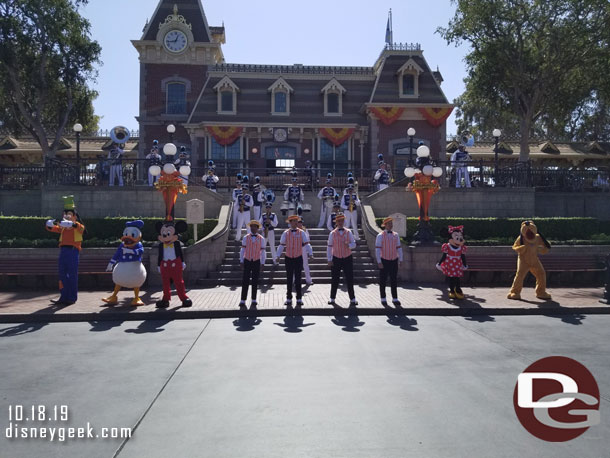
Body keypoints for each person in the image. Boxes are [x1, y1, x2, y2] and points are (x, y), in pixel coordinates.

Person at [45, 195, 85, 305]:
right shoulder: (62, 228)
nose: (66, 216)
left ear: (74, 216)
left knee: (72, 275)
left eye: (69, 214)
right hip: (63, 251)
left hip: (73, 251)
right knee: (62, 274)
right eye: (65, 214)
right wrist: (48, 224)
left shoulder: (78, 226)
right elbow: (53, 228)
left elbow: (81, 228)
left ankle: (71, 298)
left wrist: (73, 224)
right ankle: (63, 296)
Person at [276, 215, 310, 306]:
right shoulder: (286, 233)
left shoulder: (302, 232)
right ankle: (289, 298)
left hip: (298, 257)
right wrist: (278, 255)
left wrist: (311, 253)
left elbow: (307, 243)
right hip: (289, 258)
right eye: (293, 221)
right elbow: (281, 245)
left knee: (298, 278)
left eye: (296, 221)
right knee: (289, 278)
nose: (295, 222)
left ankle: (299, 298)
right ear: (290, 222)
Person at [327, 214, 357, 306]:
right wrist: (329, 259)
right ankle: (332, 298)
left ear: (344, 222)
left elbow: (354, 244)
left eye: (342, 221)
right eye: (338, 221)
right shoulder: (332, 233)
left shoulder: (348, 232)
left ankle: (352, 299)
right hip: (336, 258)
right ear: (336, 222)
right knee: (335, 279)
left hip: (347, 257)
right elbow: (329, 247)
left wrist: (349, 245)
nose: (340, 223)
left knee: (349, 279)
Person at [376, 217, 403, 305]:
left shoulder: (396, 235)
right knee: (383, 280)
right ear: (385, 225)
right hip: (384, 260)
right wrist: (379, 261)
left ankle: (395, 298)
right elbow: (377, 249)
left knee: (393, 279)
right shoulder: (380, 235)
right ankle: (383, 297)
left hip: (393, 260)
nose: (390, 225)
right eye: (388, 224)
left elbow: (399, 248)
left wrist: (401, 259)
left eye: (391, 224)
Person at [239, 220, 266, 308]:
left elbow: (263, 252)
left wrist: (263, 262)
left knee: (255, 280)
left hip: (256, 261)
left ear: (257, 228)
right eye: (251, 226)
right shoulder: (246, 237)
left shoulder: (261, 238)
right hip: (247, 260)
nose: (253, 228)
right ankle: (243, 300)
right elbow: (242, 250)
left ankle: (254, 299)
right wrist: (241, 260)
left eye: (254, 226)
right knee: (245, 280)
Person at [259, 201, 279, 266]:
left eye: (269, 208)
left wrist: (270, 221)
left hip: (271, 231)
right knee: (263, 246)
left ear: (271, 208)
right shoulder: (263, 215)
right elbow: (259, 224)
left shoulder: (273, 215)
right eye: (267, 207)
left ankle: (275, 260)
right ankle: (262, 260)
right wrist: (263, 229)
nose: (268, 209)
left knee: (272, 246)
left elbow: (275, 224)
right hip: (264, 231)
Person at [298, 217, 314, 285]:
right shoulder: (293, 230)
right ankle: (294, 280)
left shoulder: (305, 230)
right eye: (298, 222)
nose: (299, 224)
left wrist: (310, 252)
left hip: (303, 247)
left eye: (301, 222)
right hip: (295, 248)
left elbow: (308, 240)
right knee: (295, 265)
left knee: (305, 264)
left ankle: (308, 280)